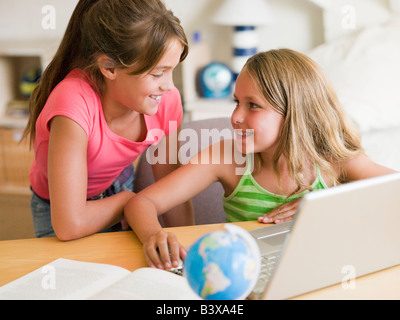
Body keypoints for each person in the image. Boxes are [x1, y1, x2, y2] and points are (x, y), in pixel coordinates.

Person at [124, 48, 396, 270]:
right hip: (246, 273)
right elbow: (142, 202)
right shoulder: (228, 157)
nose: (236, 117)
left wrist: (325, 205)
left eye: (253, 105)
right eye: (236, 102)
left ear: (294, 112)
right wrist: (153, 235)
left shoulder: (332, 161)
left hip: (320, 269)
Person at [22, 0, 193, 240]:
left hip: (119, 184)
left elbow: (172, 190)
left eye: (171, 70)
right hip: (61, 208)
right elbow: (70, 224)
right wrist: (128, 201)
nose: (169, 86)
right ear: (109, 67)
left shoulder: (167, 100)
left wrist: (188, 246)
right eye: (157, 74)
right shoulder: (73, 102)